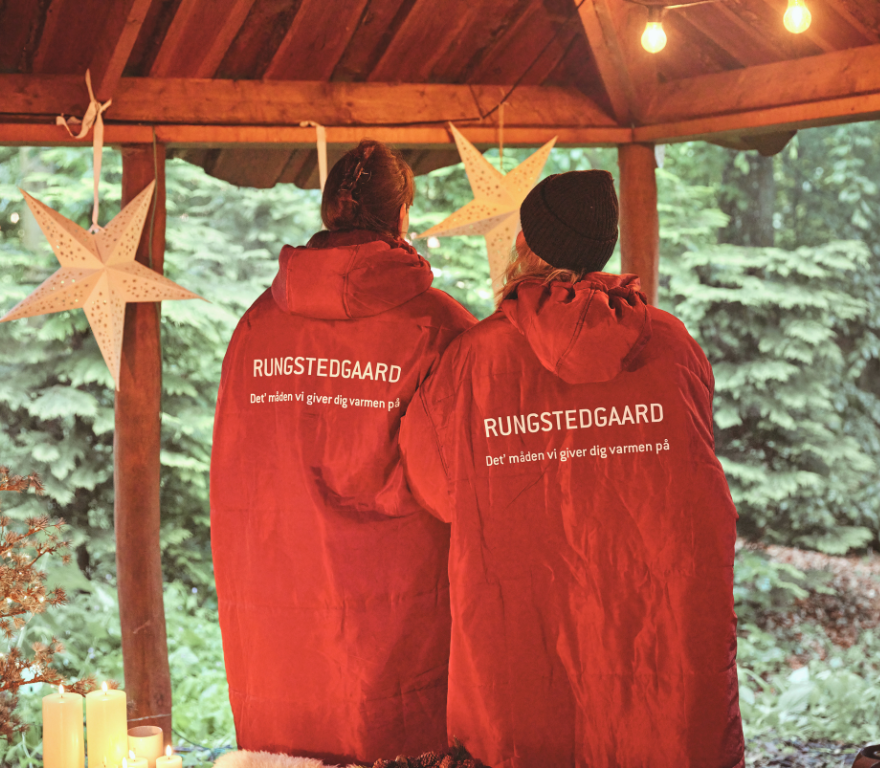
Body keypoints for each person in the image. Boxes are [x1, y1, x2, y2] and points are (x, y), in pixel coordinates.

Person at [399, 170, 745, 768]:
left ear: (524, 244)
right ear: (603, 249)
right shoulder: (671, 344)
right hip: (658, 635)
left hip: (523, 635)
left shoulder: (475, 358)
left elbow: (436, 488)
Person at [210, 140, 477, 765]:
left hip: (279, 586)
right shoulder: (441, 327)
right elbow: (458, 483)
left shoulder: (257, 325)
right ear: (402, 214)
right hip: (397, 598)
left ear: (328, 209)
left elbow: (235, 463)